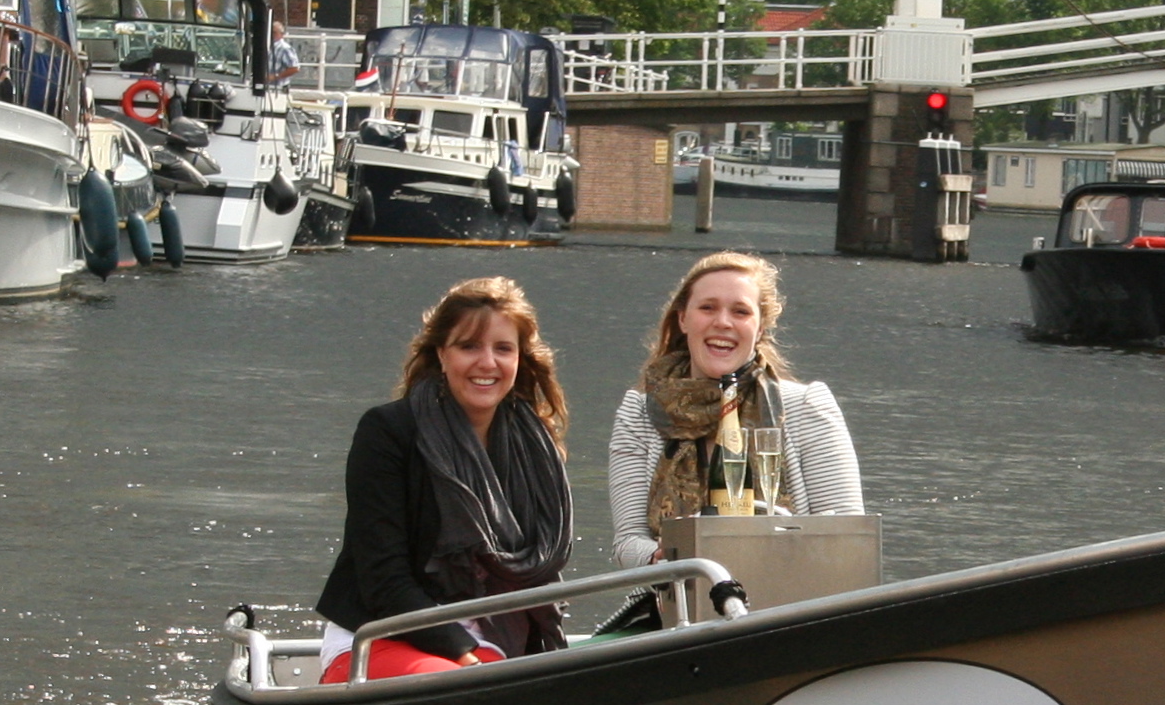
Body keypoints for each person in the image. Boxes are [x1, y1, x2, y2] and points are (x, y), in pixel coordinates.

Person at [314, 277, 573, 681]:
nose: (487, 362)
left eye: (503, 348)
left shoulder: (537, 446)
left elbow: (540, 571)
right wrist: (462, 651)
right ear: (441, 354)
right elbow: (383, 578)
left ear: (521, 357)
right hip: (380, 635)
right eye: (469, 346)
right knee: (480, 689)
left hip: (493, 641)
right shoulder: (388, 430)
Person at [607, 251, 861, 568]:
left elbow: (848, 539)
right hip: (675, 602)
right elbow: (626, 544)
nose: (723, 322)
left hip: (790, 603)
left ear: (760, 328)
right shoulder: (638, 414)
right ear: (683, 318)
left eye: (740, 312)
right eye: (707, 308)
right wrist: (660, 557)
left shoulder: (806, 407)